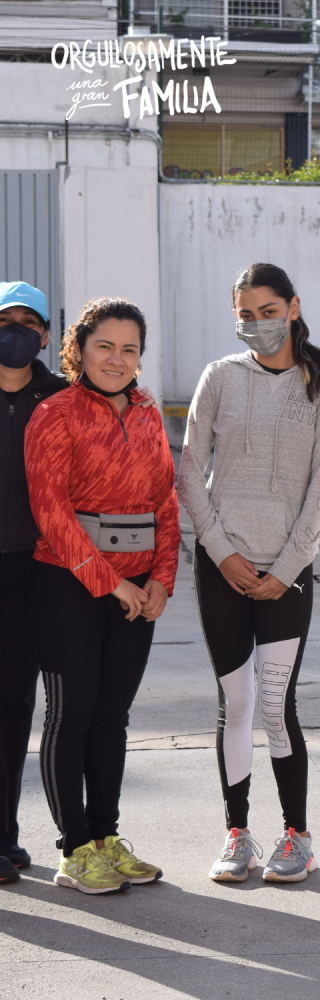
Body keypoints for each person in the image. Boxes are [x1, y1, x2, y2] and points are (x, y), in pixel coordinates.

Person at [179, 263, 320, 883]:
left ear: (293, 308)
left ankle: (297, 836)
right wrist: (221, 551)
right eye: (245, 315)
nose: (257, 324)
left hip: (288, 570)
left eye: (268, 312)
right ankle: (238, 833)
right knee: (237, 700)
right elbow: (189, 469)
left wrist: (288, 565)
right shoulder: (219, 377)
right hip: (221, 565)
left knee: (276, 705)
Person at [25, 297, 179, 894]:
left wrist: (162, 577)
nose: (117, 359)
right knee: (71, 717)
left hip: (139, 592)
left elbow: (165, 500)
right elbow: (51, 511)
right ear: (79, 349)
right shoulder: (55, 413)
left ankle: (106, 838)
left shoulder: (146, 413)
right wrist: (109, 582)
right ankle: (74, 850)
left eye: (129, 349)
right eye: (105, 347)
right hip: (67, 586)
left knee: (113, 718)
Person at [0, 282, 63, 884]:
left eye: (28, 322)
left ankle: (5, 832)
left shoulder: (61, 397)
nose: (16, 331)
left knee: (16, 704)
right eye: (4, 320)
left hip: (34, 568)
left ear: (45, 335)